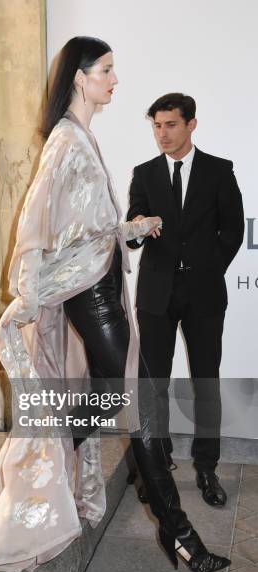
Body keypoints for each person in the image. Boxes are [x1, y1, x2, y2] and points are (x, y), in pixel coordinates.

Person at [0, 39, 229, 572]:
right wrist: (33, 294)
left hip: (97, 293)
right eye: (107, 70)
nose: (115, 79)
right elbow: (37, 231)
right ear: (80, 76)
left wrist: (127, 230)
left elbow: (83, 232)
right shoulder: (67, 143)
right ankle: (179, 533)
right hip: (93, 300)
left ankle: (37, 481)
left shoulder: (78, 137)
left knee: (104, 398)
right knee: (141, 402)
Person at [127, 93, 244, 507]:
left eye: (171, 125)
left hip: (204, 293)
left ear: (191, 125)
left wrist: (209, 268)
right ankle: (155, 465)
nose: (163, 133)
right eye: (157, 125)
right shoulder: (144, 173)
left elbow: (232, 230)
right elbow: (134, 229)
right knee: (152, 384)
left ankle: (207, 468)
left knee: (206, 382)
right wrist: (138, 227)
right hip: (156, 294)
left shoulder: (218, 170)